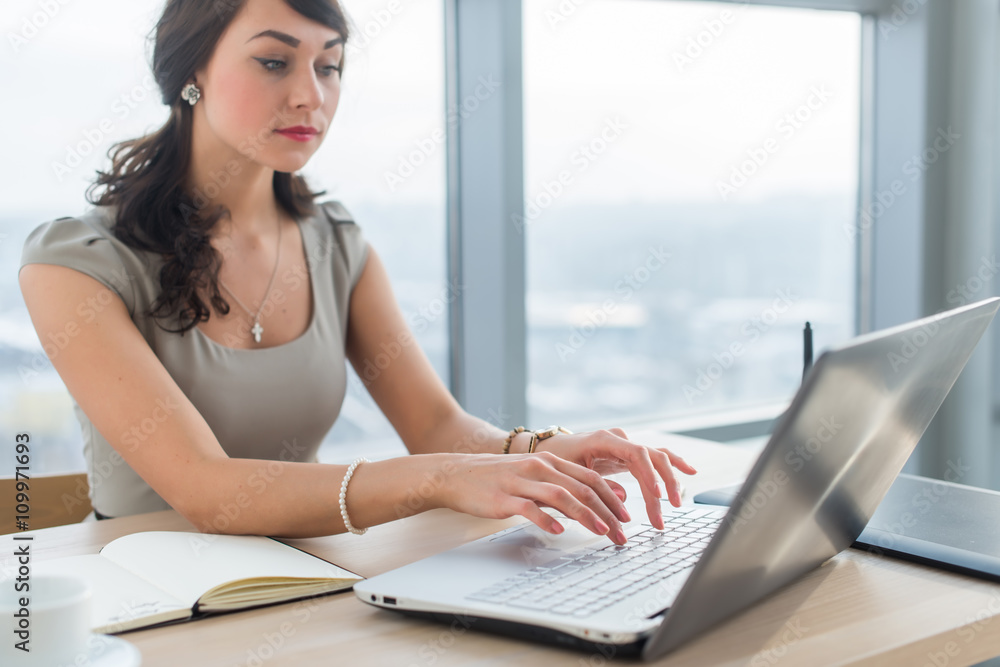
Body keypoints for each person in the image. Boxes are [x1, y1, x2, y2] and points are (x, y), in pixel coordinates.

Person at [17, 0, 697, 542]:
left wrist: (544, 449)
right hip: (144, 604)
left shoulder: (337, 242)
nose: (310, 95)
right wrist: (441, 479)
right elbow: (207, 490)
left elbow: (436, 428)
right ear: (190, 71)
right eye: (275, 61)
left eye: (329, 66)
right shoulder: (75, 264)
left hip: (309, 578)